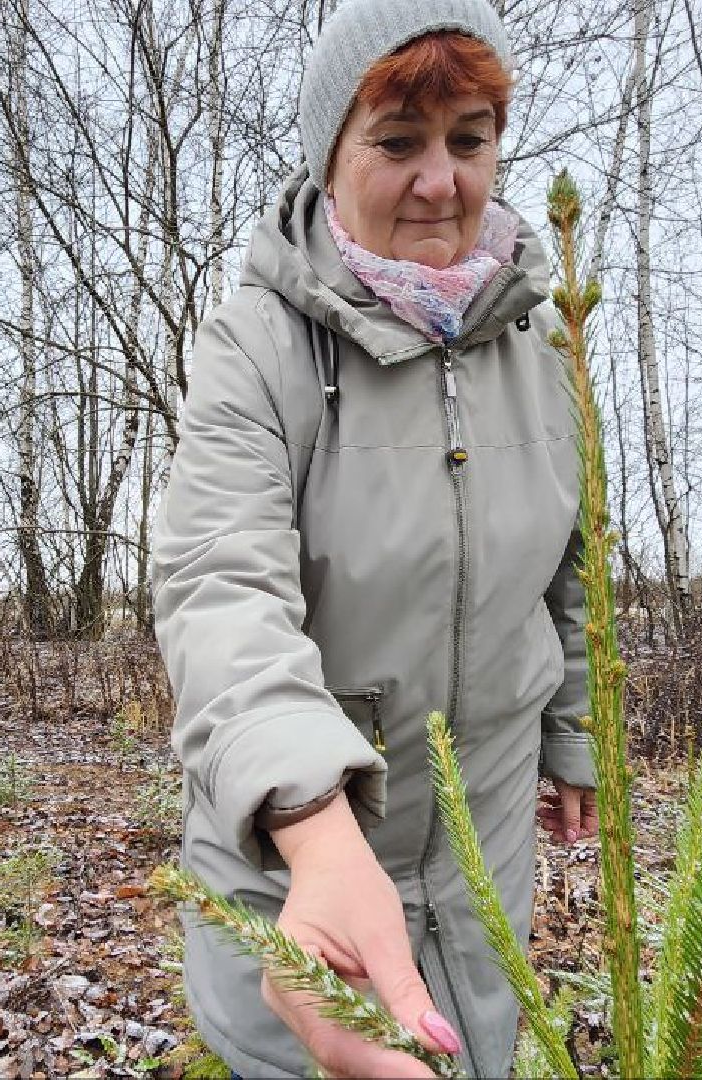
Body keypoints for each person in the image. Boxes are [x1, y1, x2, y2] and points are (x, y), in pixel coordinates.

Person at [151, 0, 594, 1074]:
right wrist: (311, 825)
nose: (440, 179)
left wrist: (571, 727)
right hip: (299, 864)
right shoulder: (258, 343)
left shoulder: (541, 335)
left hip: (483, 840)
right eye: (398, 141)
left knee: (476, 1046)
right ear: (332, 152)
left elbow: (573, 562)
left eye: (469, 139)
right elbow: (220, 588)